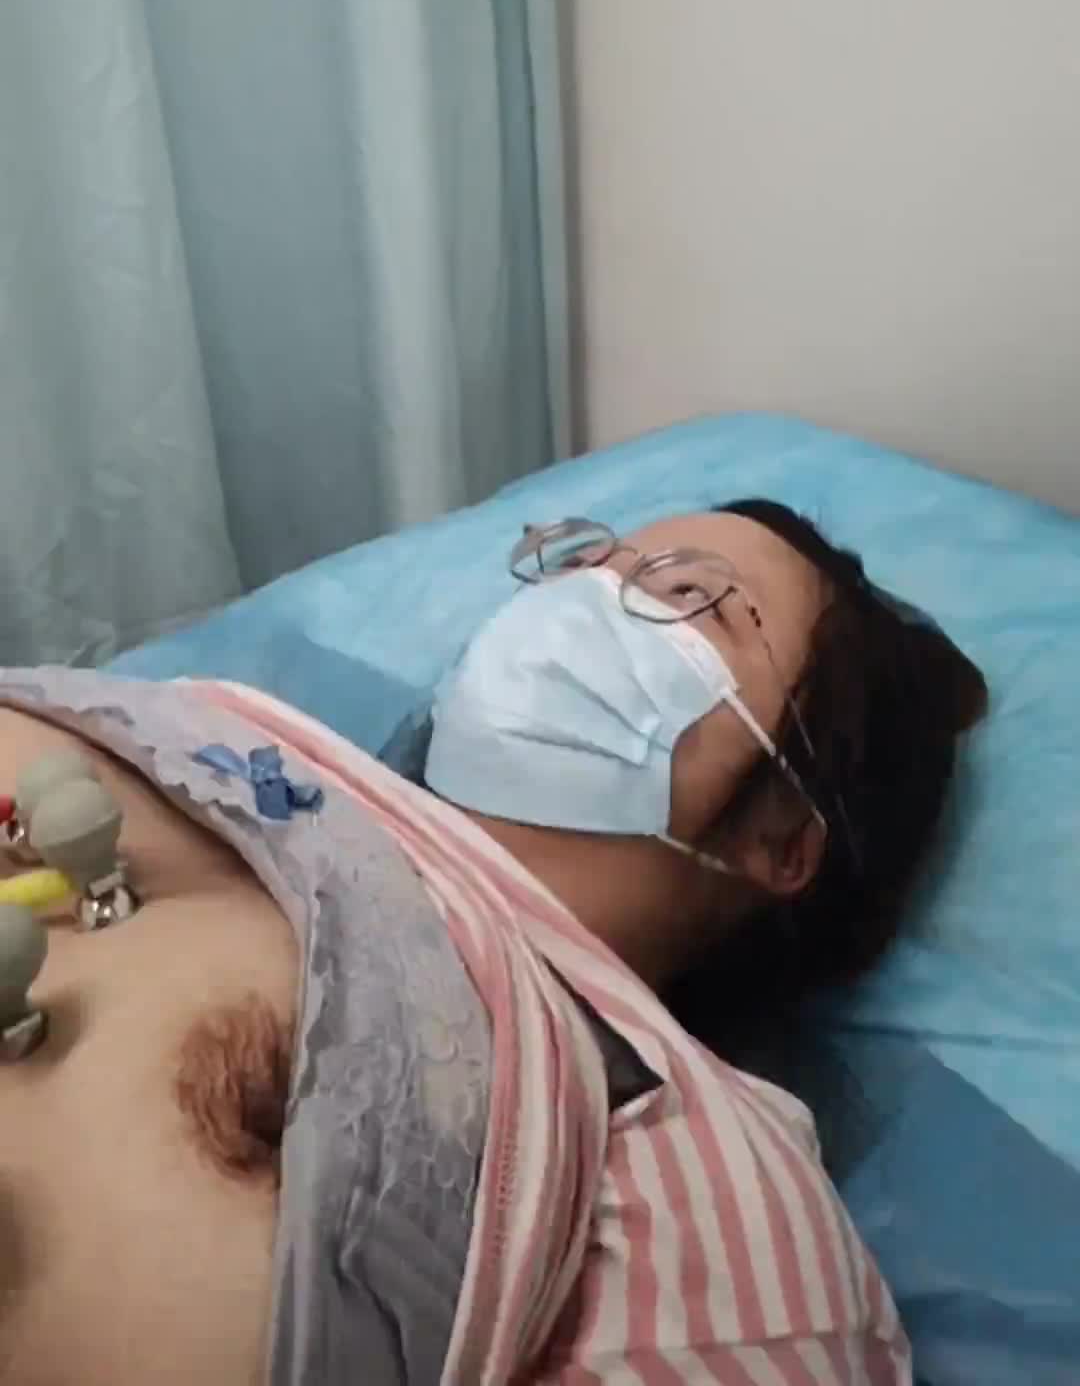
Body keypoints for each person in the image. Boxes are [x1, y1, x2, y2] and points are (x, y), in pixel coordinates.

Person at [0, 499, 987, 1385]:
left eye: (689, 596)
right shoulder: (232, 734)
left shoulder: (711, 1213)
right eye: (586, 558)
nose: (590, 592)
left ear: (783, 838)